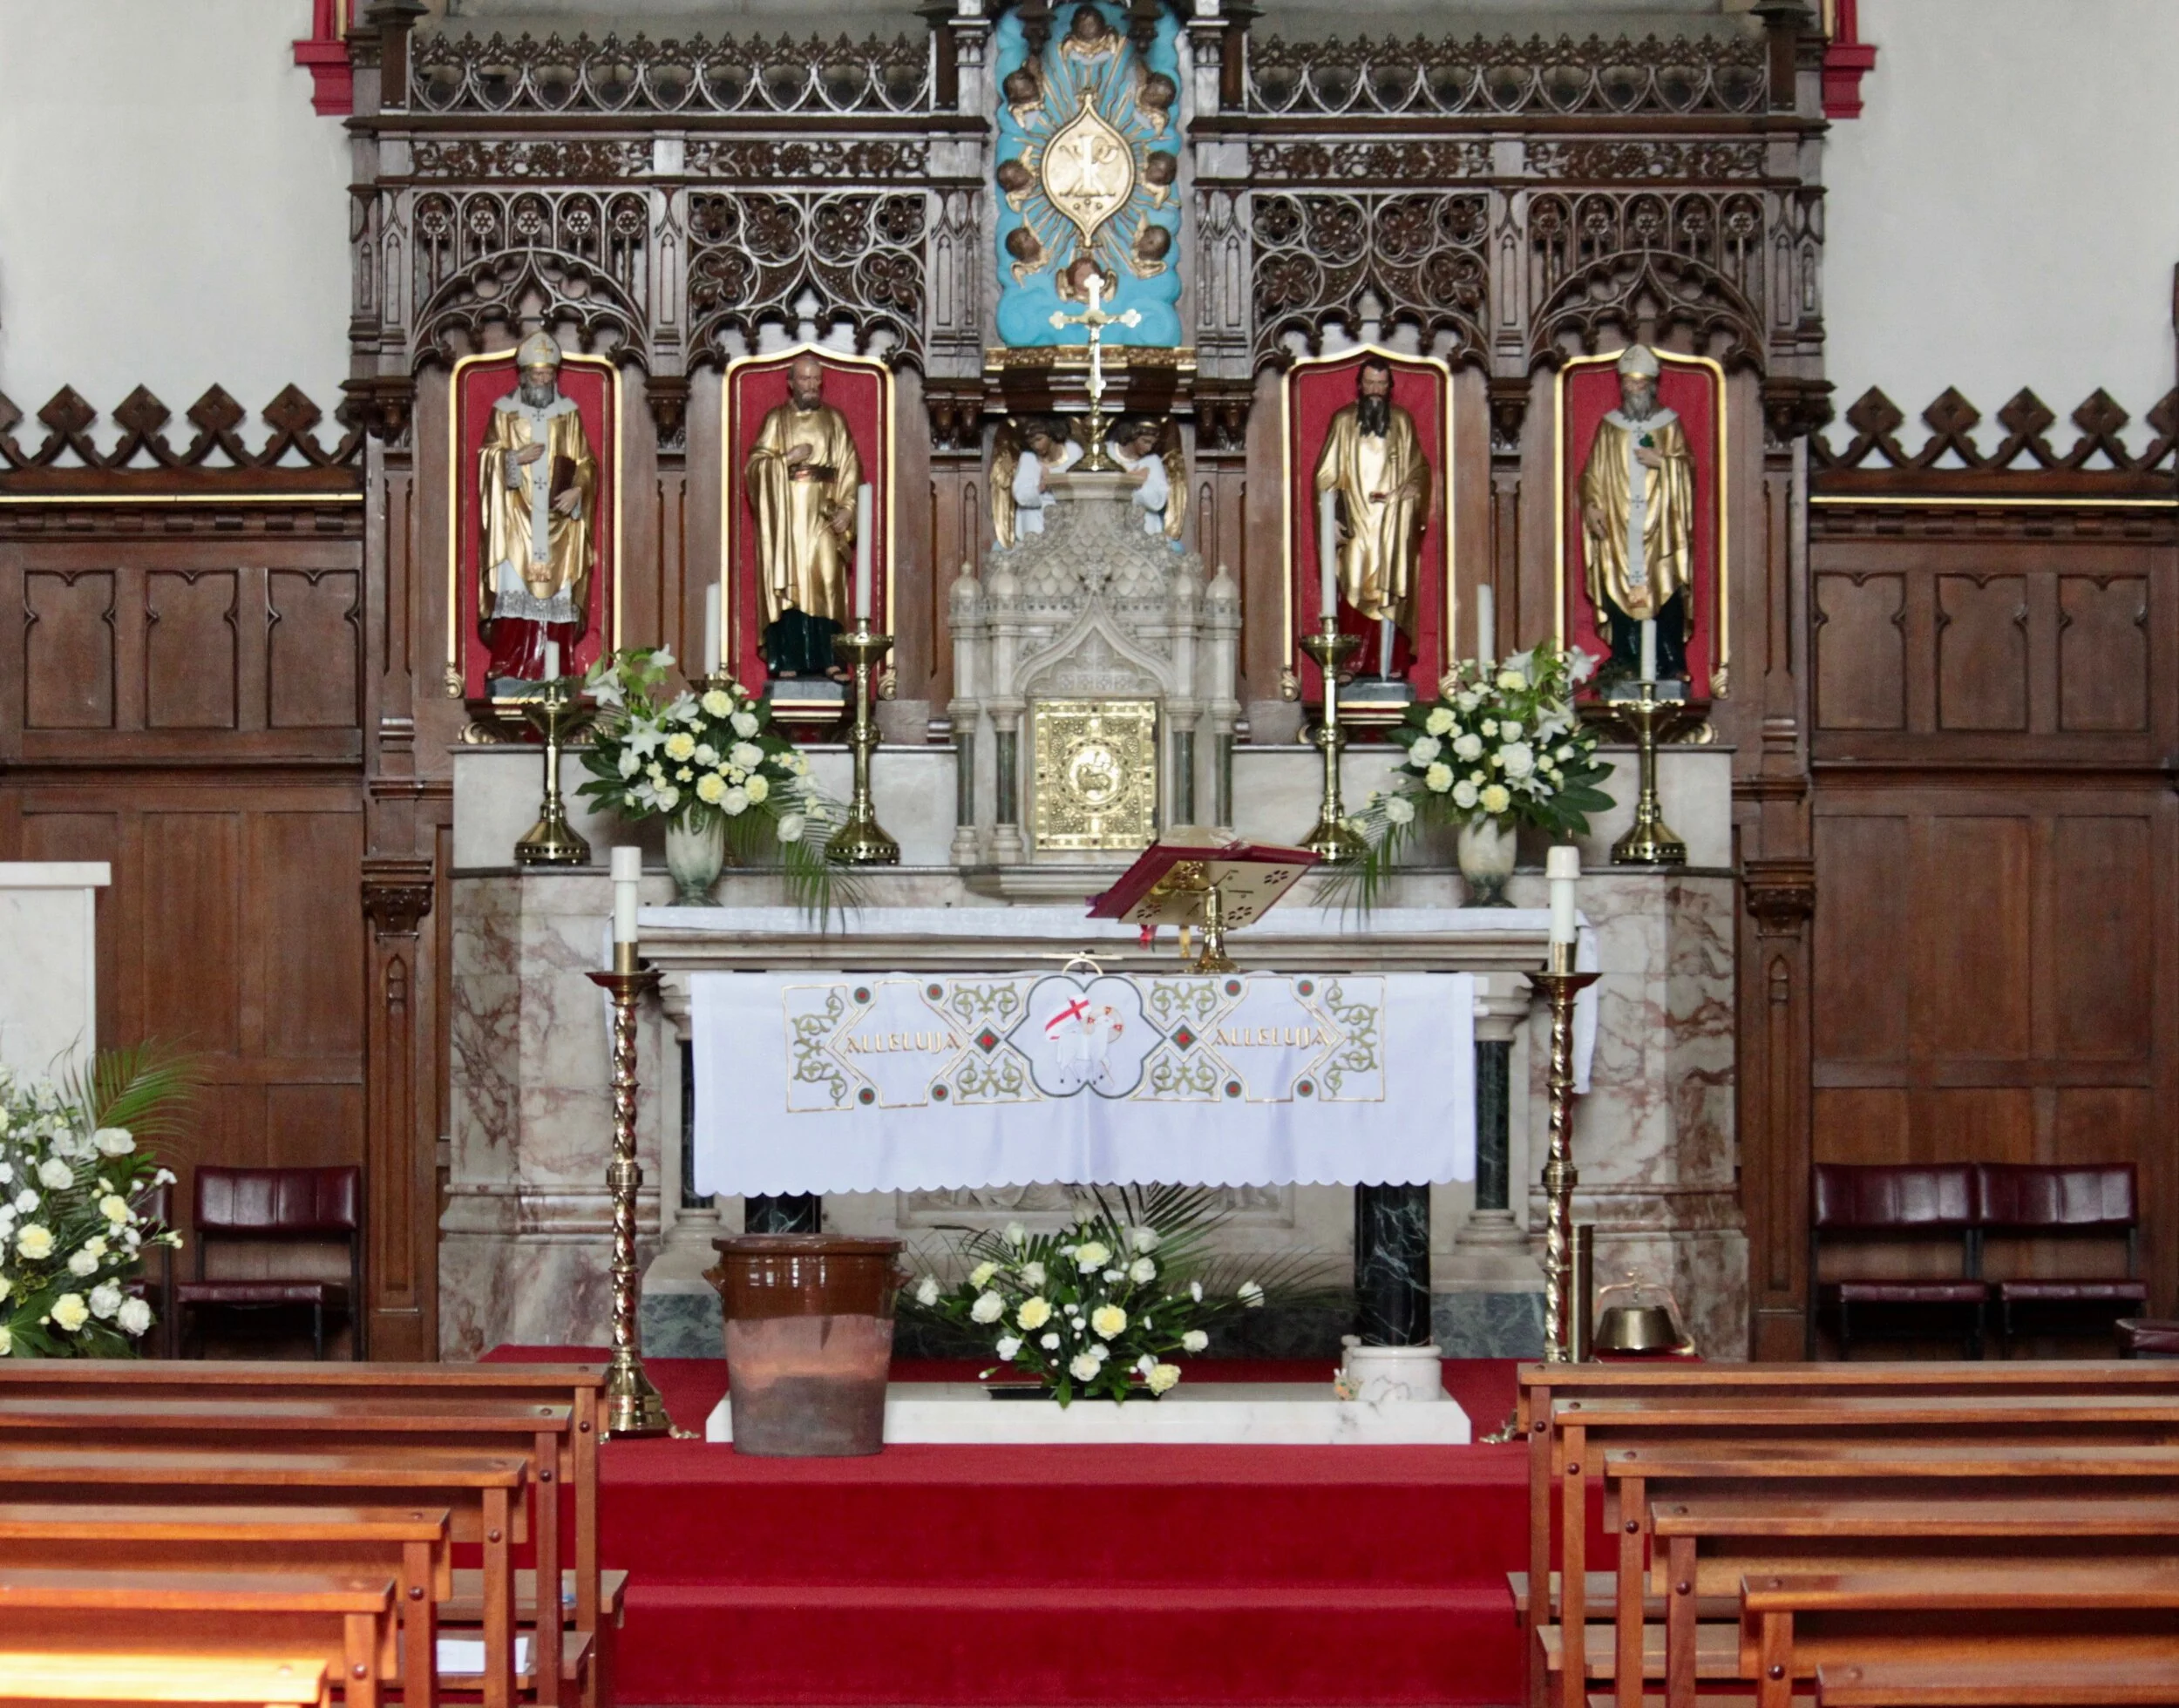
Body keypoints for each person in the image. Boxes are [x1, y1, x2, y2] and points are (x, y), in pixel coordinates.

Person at [478, 330, 596, 688]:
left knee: (557, 591)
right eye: (537, 374)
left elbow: (586, 461)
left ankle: (556, 669)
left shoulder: (568, 413)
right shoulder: (504, 411)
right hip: (517, 517)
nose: (543, 381)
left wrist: (578, 490)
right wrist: (513, 458)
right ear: (523, 375)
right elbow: (487, 456)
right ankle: (509, 662)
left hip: (558, 519)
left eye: (548, 375)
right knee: (514, 585)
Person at [1578, 344, 1695, 681]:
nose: (1634, 391)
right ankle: (1626, 658)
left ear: (1652, 386)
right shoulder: (1610, 426)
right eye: (1628, 384)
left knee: (1665, 583)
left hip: (1660, 527)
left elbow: (1687, 468)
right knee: (1619, 586)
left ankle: (1670, 660)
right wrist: (1592, 505)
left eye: (1640, 384)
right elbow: (1592, 474)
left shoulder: (1668, 423)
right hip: (1619, 524)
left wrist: (1664, 463)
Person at [743, 352, 863, 678]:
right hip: (788, 518)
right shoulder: (776, 420)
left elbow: (850, 468)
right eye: (804, 379)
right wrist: (786, 459)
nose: (811, 385)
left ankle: (832, 659)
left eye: (815, 379)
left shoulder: (834, 420)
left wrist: (848, 508)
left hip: (824, 514)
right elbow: (755, 467)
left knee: (826, 580)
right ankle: (788, 660)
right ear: (791, 383)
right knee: (792, 584)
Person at [1312, 356, 1429, 675]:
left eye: (1381, 384)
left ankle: (1390, 663)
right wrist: (1331, 516)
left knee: (1389, 589)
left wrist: (1407, 492)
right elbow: (1325, 475)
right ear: (1360, 386)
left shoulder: (1402, 421)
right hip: (1357, 523)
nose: (1375, 390)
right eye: (1370, 383)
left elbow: (1419, 469)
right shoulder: (1343, 421)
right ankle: (1351, 662)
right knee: (1353, 585)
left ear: (1390, 387)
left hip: (1392, 524)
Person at [996, 417, 1083, 546]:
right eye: (1031, 443)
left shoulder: (1073, 451)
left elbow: (1082, 485)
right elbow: (1020, 494)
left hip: (1066, 514)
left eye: (1039, 439)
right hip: (1036, 519)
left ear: (1051, 435)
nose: (1036, 446)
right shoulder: (1028, 458)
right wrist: (1040, 487)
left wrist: (1059, 484)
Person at [1104, 417, 1184, 542]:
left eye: (1152, 443)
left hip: (1144, 526)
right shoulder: (1107, 453)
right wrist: (1132, 480)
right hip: (1109, 521)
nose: (1149, 448)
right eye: (1145, 441)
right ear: (1132, 435)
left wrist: (1136, 485)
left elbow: (1158, 501)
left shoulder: (1152, 462)